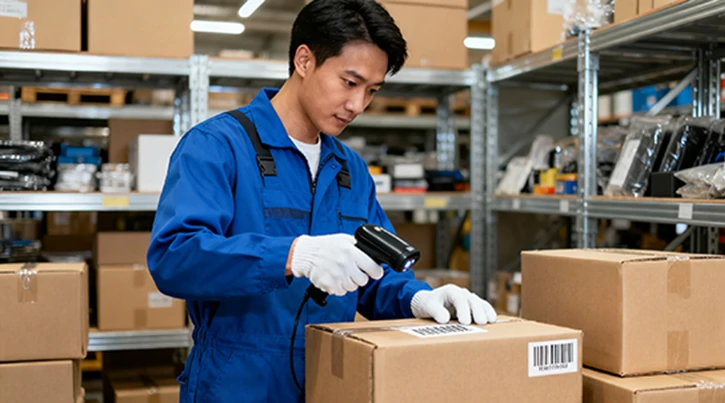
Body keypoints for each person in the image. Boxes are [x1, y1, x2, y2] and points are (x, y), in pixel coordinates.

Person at [147, 0, 496, 401]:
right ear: (305, 60)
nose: (357, 105)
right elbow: (174, 258)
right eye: (350, 82)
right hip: (239, 383)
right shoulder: (218, 146)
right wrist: (295, 256)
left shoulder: (350, 169)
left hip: (332, 380)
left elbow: (372, 274)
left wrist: (418, 297)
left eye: (372, 91)